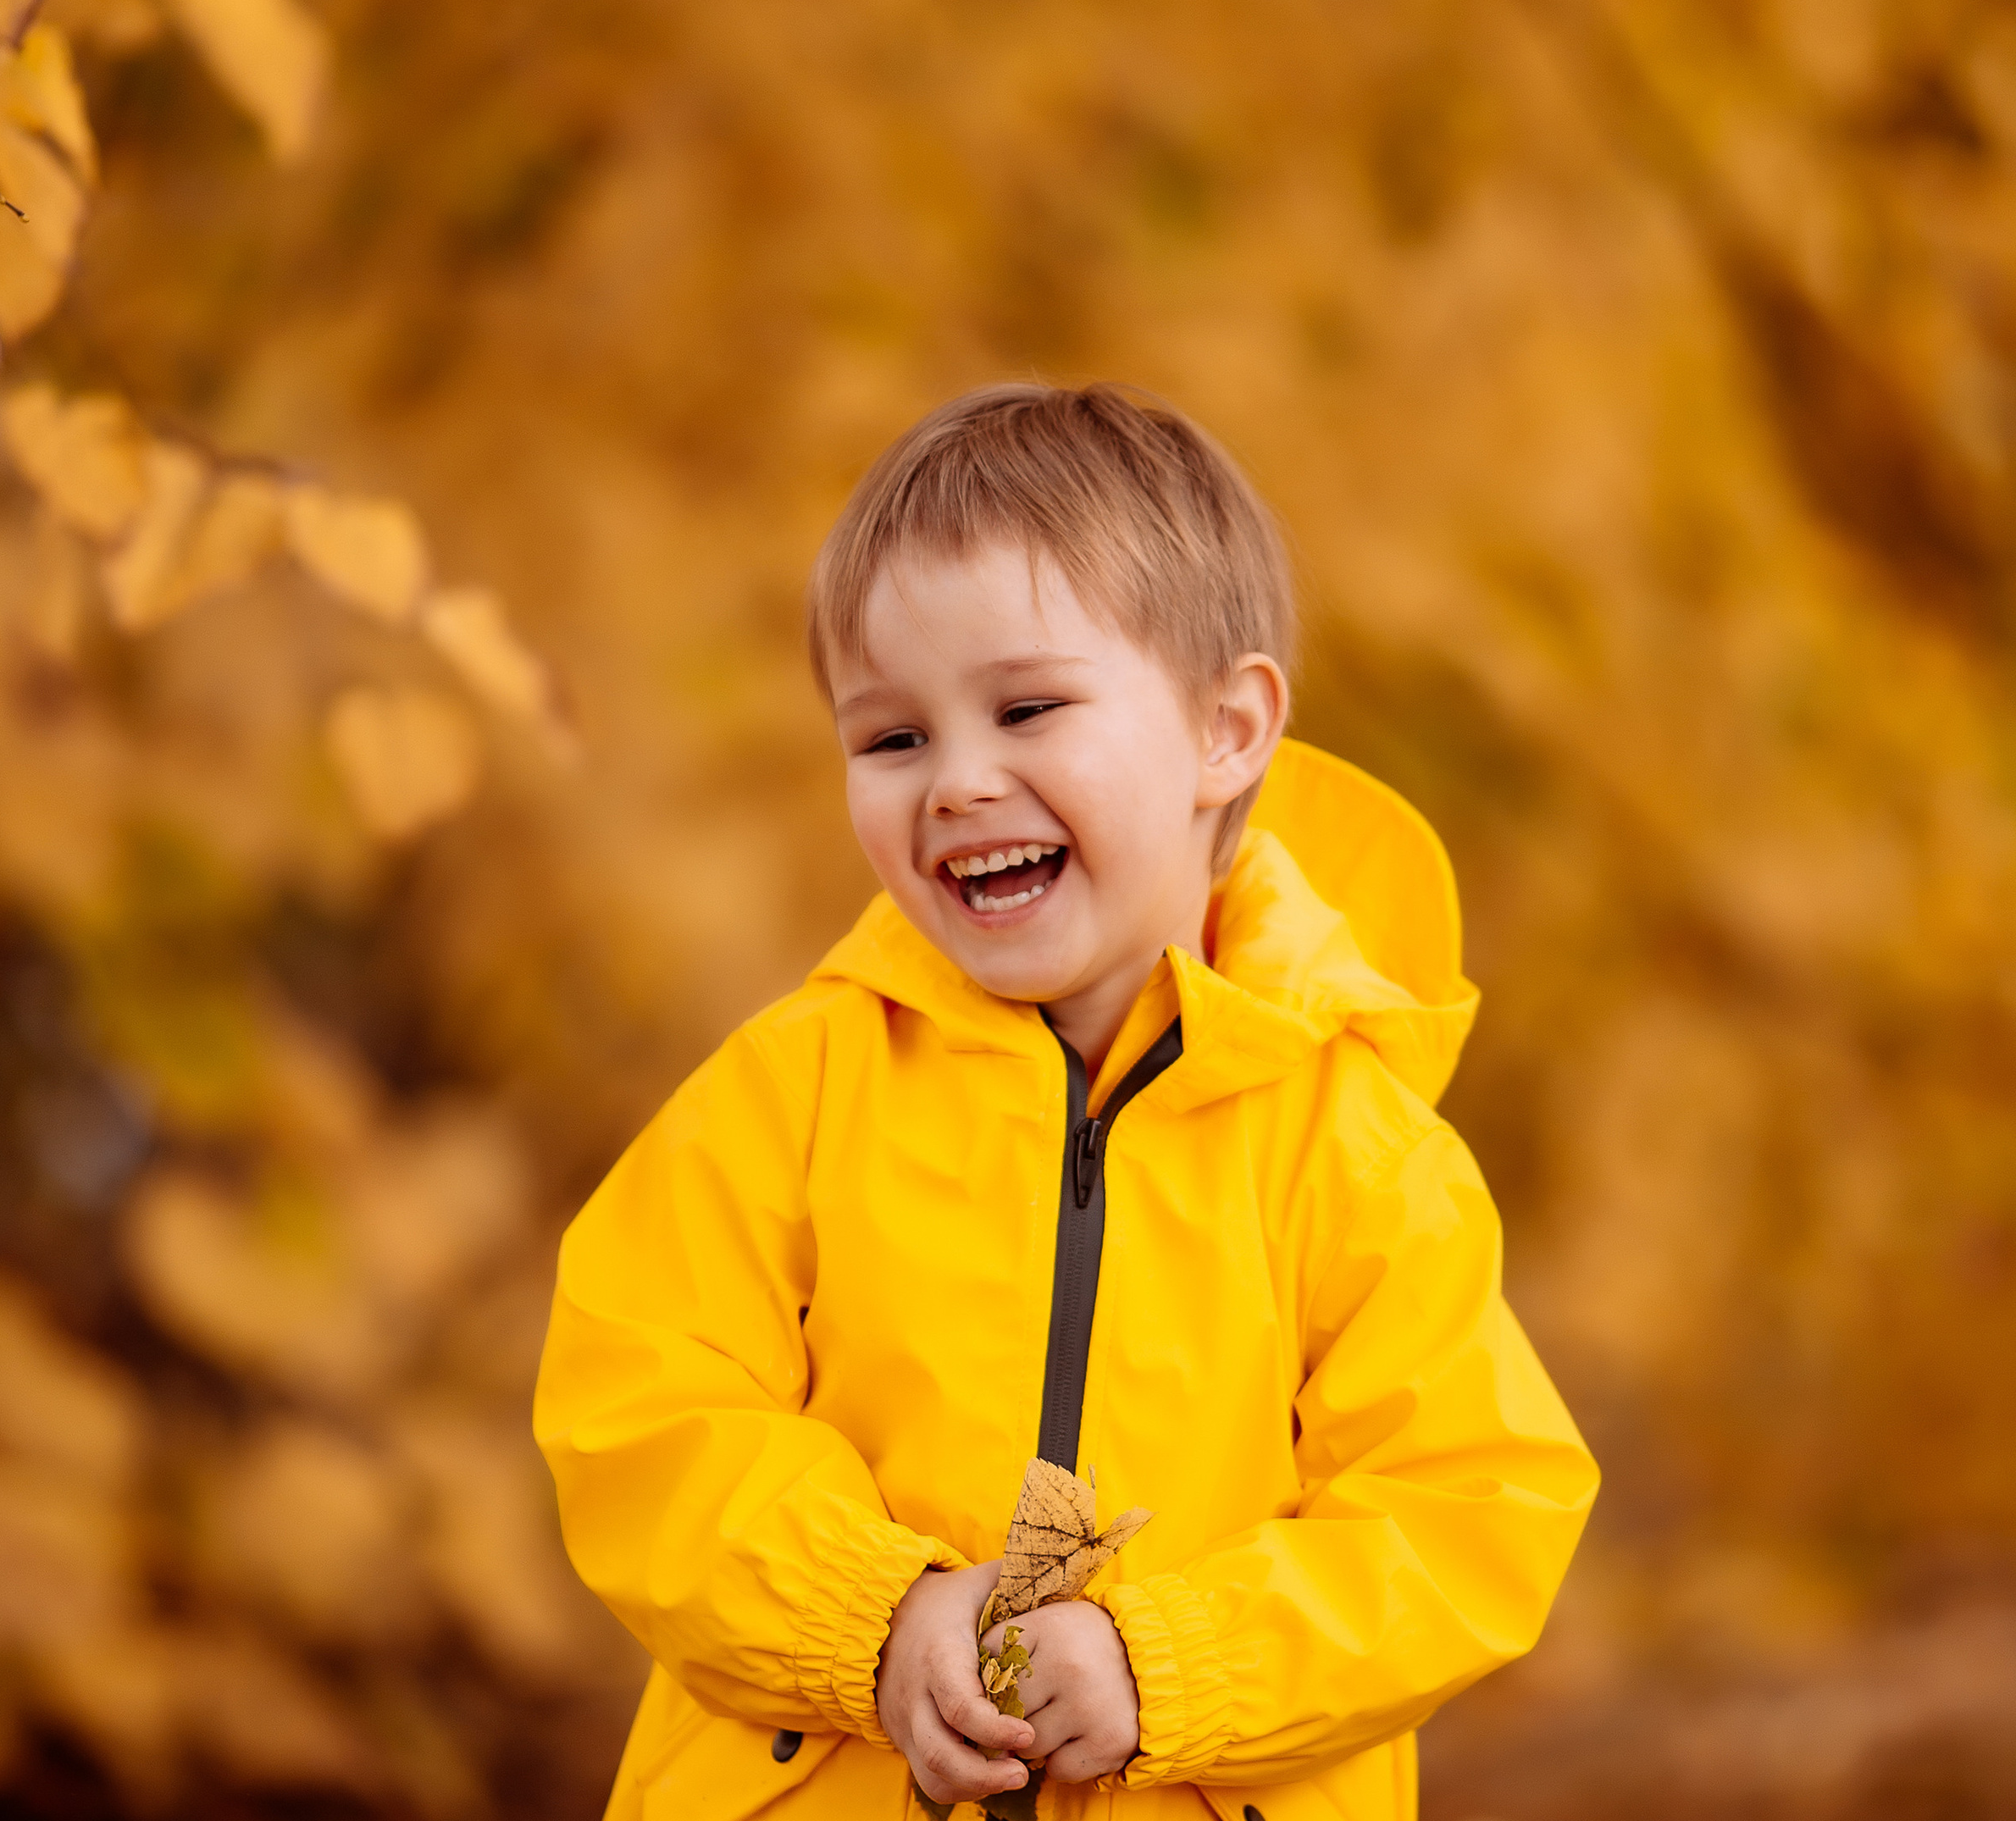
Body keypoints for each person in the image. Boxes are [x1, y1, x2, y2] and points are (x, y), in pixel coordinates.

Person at [534, 383, 1598, 1821]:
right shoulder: (792, 1093)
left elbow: (1468, 1512)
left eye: (1027, 708)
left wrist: (1165, 1665)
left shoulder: (1355, 1152)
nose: (960, 782)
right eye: (890, 739)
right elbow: (641, 1410)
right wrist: (881, 1620)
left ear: (1228, 730)